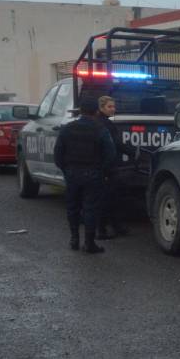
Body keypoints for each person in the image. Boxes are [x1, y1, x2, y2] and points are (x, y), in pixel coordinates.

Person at [54, 97, 115, 254]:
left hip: (72, 173)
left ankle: (74, 239)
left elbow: (58, 154)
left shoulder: (67, 128)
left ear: (80, 111)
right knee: (90, 208)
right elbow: (110, 154)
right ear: (96, 111)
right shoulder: (100, 129)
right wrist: (102, 171)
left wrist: (66, 170)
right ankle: (89, 243)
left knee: (72, 207)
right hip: (93, 174)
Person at [94, 95, 138, 240]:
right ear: (101, 107)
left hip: (102, 165)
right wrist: (133, 152)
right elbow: (115, 144)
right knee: (108, 198)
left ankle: (114, 226)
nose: (113, 109)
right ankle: (104, 229)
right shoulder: (105, 124)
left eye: (113, 106)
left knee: (111, 197)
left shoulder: (101, 122)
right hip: (107, 166)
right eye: (109, 106)